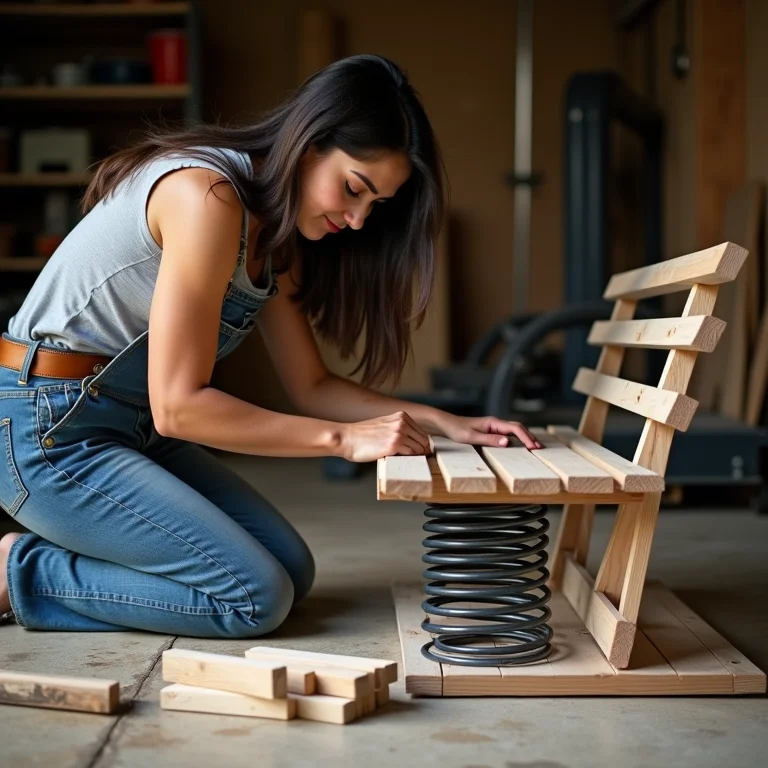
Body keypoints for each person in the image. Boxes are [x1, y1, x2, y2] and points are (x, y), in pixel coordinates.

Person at [0, 54, 541, 638]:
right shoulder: (205, 195)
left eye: (376, 204)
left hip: (127, 427)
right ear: (308, 144)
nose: (359, 220)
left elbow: (312, 385)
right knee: (253, 598)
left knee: (290, 570)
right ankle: (15, 571)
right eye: (354, 188)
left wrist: (443, 423)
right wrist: (345, 441)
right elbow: (178, 407)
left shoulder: (274, 235)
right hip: (47, 430)